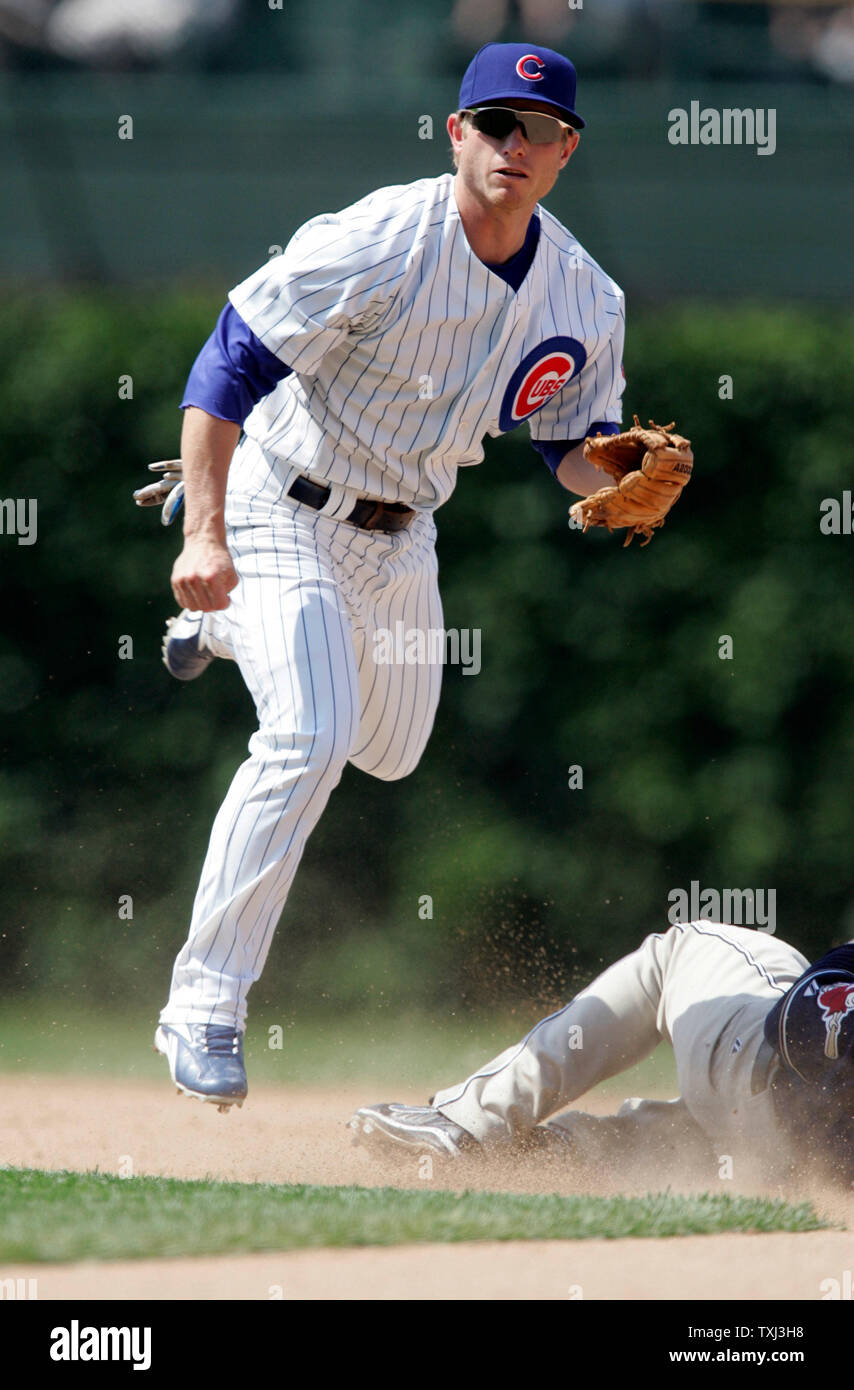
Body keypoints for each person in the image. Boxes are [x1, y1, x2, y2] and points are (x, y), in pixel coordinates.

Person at [151, 42, 630, 1110]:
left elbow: (565, 438)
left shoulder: (584, 296)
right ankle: (204, 1003)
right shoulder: (377, 239)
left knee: (390, 750)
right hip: (284, 500)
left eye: (537, 129)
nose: (515, 144)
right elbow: (226, 363)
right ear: (454, 133)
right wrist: (209, 535)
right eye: (494, 123)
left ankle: (223, 632)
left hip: (402, 535)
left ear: (565, 151)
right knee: (308, 735)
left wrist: (617, 471)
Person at [350, 922, 854, 1186]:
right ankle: (556, 1159)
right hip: (795, 1172)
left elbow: (800, 1027)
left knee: (681, 949)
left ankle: (471, 1122)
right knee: (718, 1138)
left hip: (753, 1078)